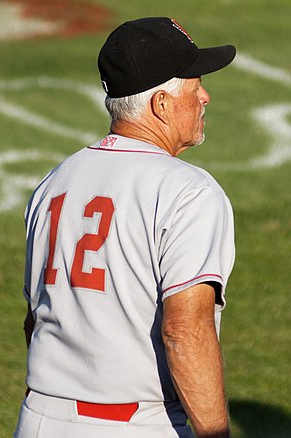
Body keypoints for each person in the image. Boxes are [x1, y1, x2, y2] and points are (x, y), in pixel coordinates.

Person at [14, 17, 236, 438]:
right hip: (135, 425)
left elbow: (35, 319)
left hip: (39, 419)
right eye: (194, 85)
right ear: (161, 105)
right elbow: (184, 332)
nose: (205, 96)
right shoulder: (188, 192)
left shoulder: (52, 183)